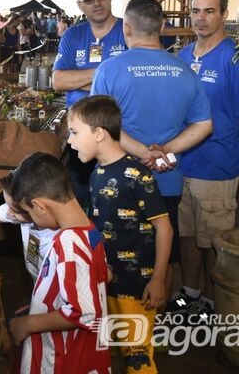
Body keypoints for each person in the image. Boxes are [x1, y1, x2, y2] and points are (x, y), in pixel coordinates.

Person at [91, 0, 213, 296]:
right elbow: (204, 124)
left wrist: (143, 151)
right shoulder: (185, 70)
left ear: (127, 28)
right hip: (165, 178)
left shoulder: (109, 70)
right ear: (161, 26)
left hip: (115, 181)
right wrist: (165, 151)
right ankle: (158, 319)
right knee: (163, 253)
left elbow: (98, 125)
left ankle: (112, 324)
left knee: (112, 254)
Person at [170, 0, 239, 315]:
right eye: (196, 11)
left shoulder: (238, 59)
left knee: (214, 240)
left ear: (224, 14)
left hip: (217, 167)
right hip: (181, 165)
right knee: (187, 237)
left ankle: (210, 301)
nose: (201, 18)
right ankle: (190, 292)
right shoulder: (182, 57)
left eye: (209, 11)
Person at [68, 95, 172, 373]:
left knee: (138, 358)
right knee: (109, 350)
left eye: (75, 132)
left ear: (99, 134)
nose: (70, 141)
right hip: (106, 280)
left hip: (136, 287)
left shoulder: (137, 175)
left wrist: (159, 279)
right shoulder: (97, 172)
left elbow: (164, 227)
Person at [4, 153, 110, 374]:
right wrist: (39, 306)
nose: (32, 219)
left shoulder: (68, 243)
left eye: (30, 212)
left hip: (61, 359)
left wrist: (29, 323)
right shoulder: (89, 230)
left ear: (40, 206)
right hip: (81, 353)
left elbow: (83, 312)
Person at [53, 0, 126, 207]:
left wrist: (80, 79)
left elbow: (130, 83)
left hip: (121, 134)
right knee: (79, 199)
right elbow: (58, 81)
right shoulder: (73, 35)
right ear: (80, 5)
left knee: (116, 202)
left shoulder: (129, 30)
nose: (97, 3)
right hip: (80, 136)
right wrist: (105, 74)